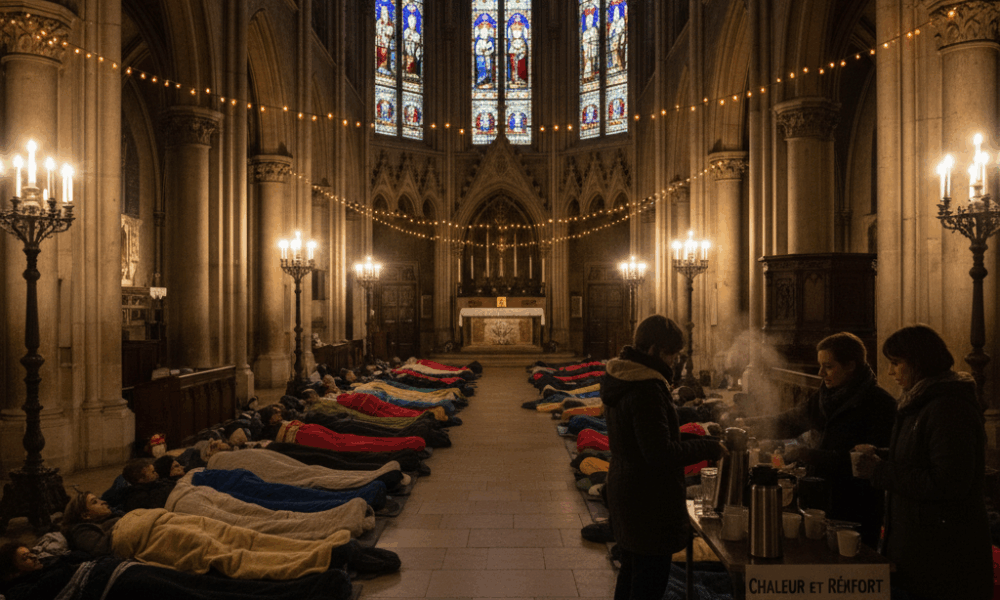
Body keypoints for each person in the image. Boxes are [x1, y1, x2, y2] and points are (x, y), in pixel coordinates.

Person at [853, 324, 992, 600]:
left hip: (944, 559)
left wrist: (880, 470)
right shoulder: (920, 401)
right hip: (917, 549)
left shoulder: (949, 407)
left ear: (919, 362)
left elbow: (948, 483)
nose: (890, 372)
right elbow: (919, 456)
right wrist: (882, 454)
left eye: (896, 363)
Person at [602, 315, 725, 600]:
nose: (675, 361)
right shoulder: (646, 387)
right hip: (648, 502)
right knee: (648, 584)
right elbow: (659, 453)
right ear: (655, 350)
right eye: (673, 354)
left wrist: (701, 439)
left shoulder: (624, 377)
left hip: (627, 489)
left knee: (631, 573)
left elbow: (650, 437)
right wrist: (709, 448)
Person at [737, 332, 896, 547]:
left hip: (856, 507)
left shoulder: (880, 404)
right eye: (820, 366)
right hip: (820, 499)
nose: (821, 373)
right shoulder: (826, 396)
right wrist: (749, 425)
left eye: (828, 366)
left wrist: (808, 455)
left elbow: (865, 462)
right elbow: (791, 420)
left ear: (850, 366)